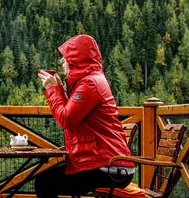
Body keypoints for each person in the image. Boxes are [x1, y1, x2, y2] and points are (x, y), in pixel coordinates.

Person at [34, 35, 134, 198]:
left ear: (76, 60)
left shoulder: (89, 84)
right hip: (111, 165)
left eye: (65, 57)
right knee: (47, 180)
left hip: (109, 169)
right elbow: (74, 115)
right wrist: (59, 88)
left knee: (45, 182)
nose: (61, 62)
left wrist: (52, 90)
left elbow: (67, 120)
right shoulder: (92, 80)